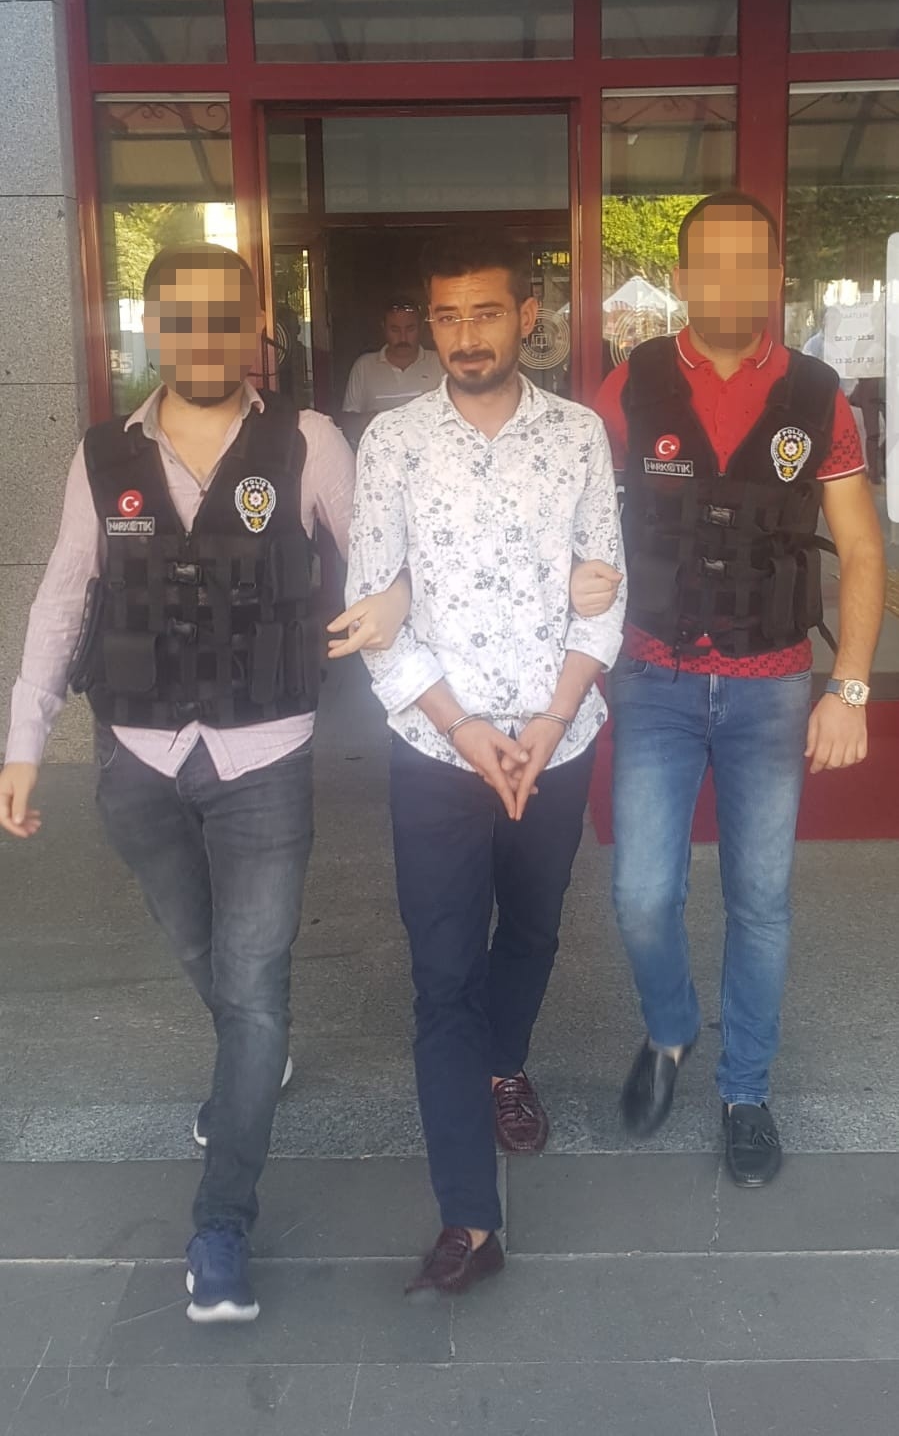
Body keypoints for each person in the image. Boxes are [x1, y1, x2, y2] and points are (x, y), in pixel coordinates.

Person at [0, 243, 408, 1324]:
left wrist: (399, 604)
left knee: (254, 983)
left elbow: (377, 556)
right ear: (152, 329)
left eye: (224, 317)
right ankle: (251, 1061)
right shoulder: (103, 453)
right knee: (205, 956)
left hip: (264, 756)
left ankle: (221, 1222)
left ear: (253, 326)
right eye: (181, 319)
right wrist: (23, 740)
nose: (203, 338)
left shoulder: (306, 441)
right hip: (134, 761)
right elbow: (62, 598)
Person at [579, 192, 884, 1187]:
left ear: (771, 275)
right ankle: (669, 1028)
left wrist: (847, 687)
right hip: (654, 677)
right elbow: (569, 513)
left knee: (759, 899)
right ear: (680, 276)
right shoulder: (626, 385)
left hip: (769, 688)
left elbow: (859, 548)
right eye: (707, 261)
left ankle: (744, 1089)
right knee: (640, 894)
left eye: (748, 261)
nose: (727, 280)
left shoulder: (817, 394)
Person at [342, 230, 625, 1296]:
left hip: (556, 743)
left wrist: (549, 723)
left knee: (535, 928)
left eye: (486, 314)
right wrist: (465, 730)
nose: (465, 335)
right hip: (436, 750)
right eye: (448, 316)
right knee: (442, 974)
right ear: (430, 323)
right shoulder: (394, 442)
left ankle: (505, 1063)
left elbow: (605, 590)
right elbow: (372, 610)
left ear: (526, 318)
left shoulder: (578, 436)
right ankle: (468, 1215)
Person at [340, 297, 443, 442]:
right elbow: (349, 423)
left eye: (410, 329)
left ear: (421, 327)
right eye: (395, 330)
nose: (403, 338)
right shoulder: (364, 366)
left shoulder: (440, 362)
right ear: (383, 327)